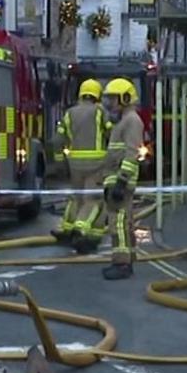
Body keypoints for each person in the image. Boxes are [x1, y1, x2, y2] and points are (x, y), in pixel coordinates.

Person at [99, 77, 145, 280]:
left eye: (112, 99)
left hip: (121, 181)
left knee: (117, 223)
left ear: (125, 98)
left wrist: (121, 181)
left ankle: (121, 263)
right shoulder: (122, 121)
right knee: (123, 222)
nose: (109, 104)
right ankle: (127, 260)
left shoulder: (132, 121)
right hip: (115, 179)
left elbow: (131, 153)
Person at [55, 79, 110, 248]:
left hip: (74, 162)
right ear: (97, 95)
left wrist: (59, 162)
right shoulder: (100, 111)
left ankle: (66, 228)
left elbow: (58, 140)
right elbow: (110, 133)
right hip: (97, 161)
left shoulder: (69, 113)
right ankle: (80, 229)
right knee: (92, 199)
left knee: (76, 196)